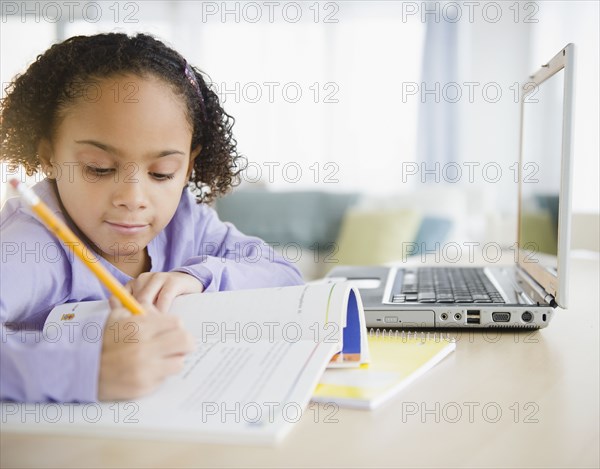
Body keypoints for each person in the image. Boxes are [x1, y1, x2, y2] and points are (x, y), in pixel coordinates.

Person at [0, 33, 304, 403]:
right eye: (99, 168)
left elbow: (285, 275)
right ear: (48, 155)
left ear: (189, 166)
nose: (132, 199)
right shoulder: (30, 246)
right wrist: (82, 372)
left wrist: (198, 277)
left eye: (161, 173)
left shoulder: (186, 222)